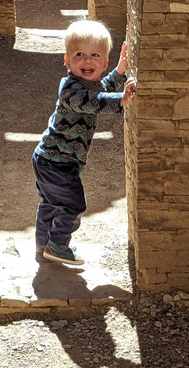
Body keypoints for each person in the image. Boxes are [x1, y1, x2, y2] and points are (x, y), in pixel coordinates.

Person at [33, 19, 136, 266]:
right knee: (74, 203)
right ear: (67, 61)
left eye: (94, 55)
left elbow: (100, 88)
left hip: (47, 159)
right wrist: (120, 100)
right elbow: (93, 101)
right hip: (58, 162)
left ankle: (43, 241)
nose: (87, 61)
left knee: (51, 202)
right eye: (79, 54)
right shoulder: (71, 90)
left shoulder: (88, 83)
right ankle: (57, 245)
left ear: (104, 62)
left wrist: (120, 70)